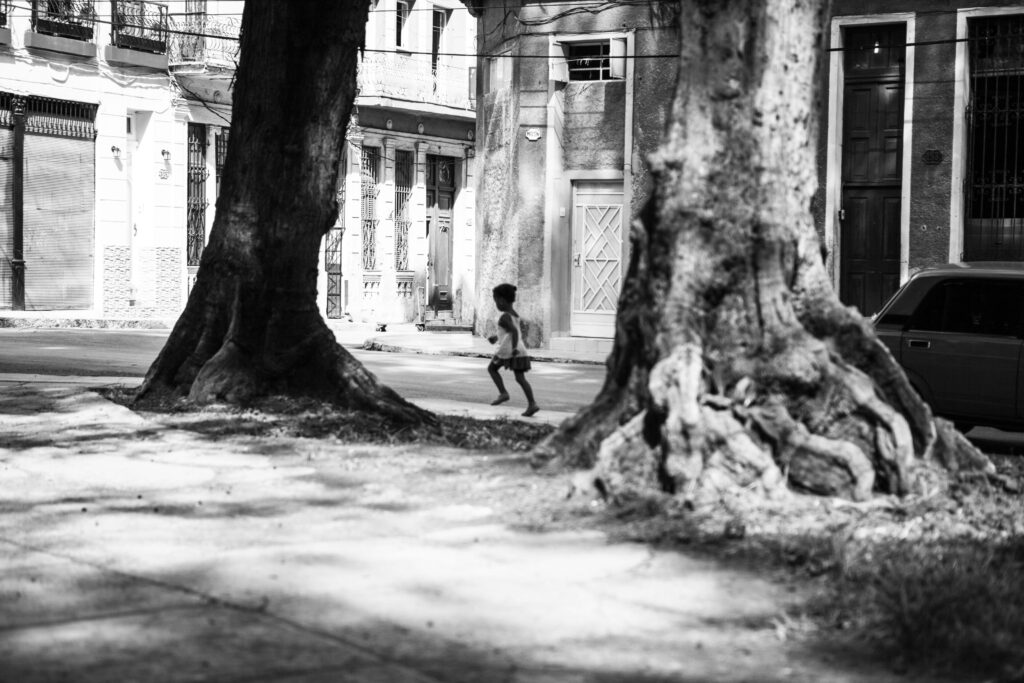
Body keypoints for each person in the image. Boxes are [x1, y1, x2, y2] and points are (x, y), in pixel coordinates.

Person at [486, 283, 539, 417]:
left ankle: (503, 393)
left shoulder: (504, 316)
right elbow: (508, 332)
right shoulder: (514, 314)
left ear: (501, 300)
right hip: (520, 350)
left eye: (495, 301)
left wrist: (513, 348)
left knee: (492, 369)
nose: (496, 304)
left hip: (509, 350)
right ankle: (532, 404)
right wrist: (496, 337)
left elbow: (514, 331)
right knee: (520, 378)